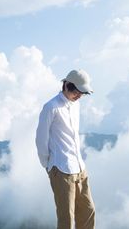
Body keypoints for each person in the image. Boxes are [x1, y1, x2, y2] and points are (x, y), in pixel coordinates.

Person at [35, 69, 96, 229]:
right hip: (61, 169)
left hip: (80, 168)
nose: (80, 96)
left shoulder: (75, 106)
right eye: (78, 91)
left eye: (83, 93)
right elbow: (41, 139)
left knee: (88, 211)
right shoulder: (51, 107)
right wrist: (48, 165)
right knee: (66, 218)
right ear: (67, 86)